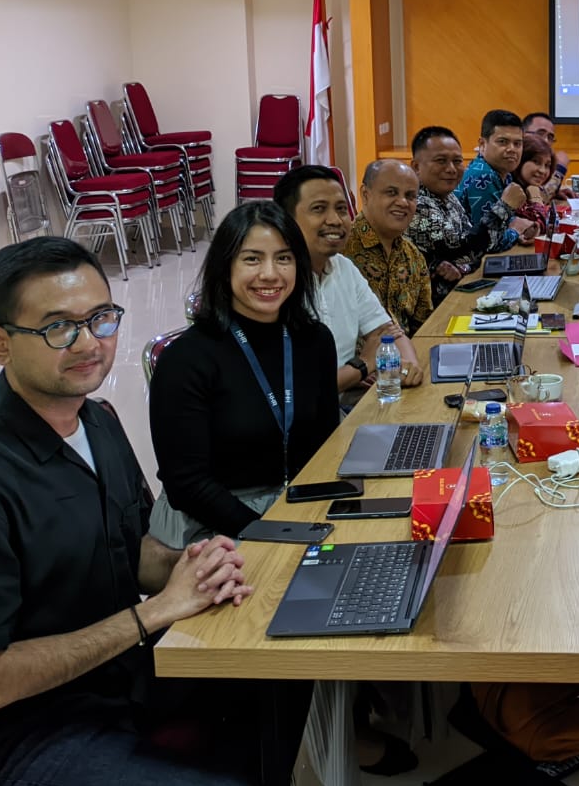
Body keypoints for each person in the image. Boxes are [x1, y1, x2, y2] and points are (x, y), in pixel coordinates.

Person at [0, 237, 267, 786]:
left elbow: (130, 551)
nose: (90, 343)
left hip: (105, 688)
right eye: (58, 327)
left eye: (100, 318)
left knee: (276, 684)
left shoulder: (96, 421)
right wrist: (153, 613)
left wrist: (197, 565)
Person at [148, 201, 340, 545]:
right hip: (210, 521)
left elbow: (326, 445)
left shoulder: (315, 340)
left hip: (294, 503)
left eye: (284, 258)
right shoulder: (187, 358)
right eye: (252, 259)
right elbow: (187, 484)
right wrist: (268, 532)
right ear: (225, 267)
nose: (270, 274)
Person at [274, 165, 422, 400]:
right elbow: (298, 392)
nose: (335, 220)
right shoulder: (275, 284)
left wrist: (408, 366)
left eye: (342, 209)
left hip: (340, 411)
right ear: (286, 219)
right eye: (319, 209)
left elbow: (388, 332)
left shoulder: (342, 267)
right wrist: (363, 364)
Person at [409, 125, 527, 304]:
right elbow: (468, 249)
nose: (451, 169)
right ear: (416, 167)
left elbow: (472, 249)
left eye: (457, 161)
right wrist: (505, 207)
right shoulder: (416, 204)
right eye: (441, 161)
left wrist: (462, 265)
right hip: (433, 310)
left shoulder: (447, 197)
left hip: (458, 293)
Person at [346, 158, 435, 337]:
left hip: (407, 358)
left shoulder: (413, 256)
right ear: (365, 195)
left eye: (410, 196)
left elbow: (423, 326)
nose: (403, 202)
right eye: (391, 193)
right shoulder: (341, 252)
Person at [455, 108, 534, 248]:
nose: (512, 149)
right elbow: (487, 242)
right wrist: (516, 231)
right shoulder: (483, 176)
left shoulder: (502, 172)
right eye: (503, 142)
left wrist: (524, 226)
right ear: (482, 144)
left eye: (517, 143)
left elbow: (504, 220)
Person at [511, 131, 559, 237]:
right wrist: (536, 198)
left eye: (547, 165)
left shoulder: (527, 186)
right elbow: (534, 227)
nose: (542, 170)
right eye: (536, 162)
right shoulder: (511, 189)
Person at [522, 111, 570, 195]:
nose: (546, 141)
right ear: (523, 134)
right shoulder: (514, 158)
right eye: (540, 133)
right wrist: (560, 168)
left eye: (550, 137)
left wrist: (555, 193)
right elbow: (538, 200)